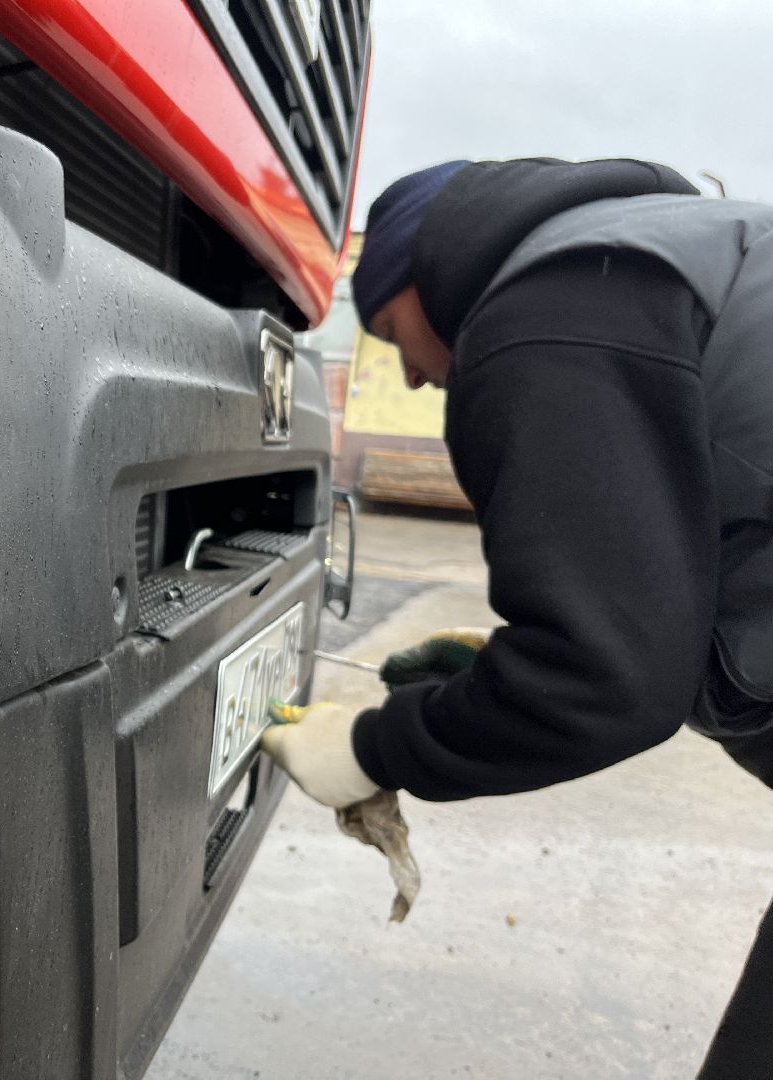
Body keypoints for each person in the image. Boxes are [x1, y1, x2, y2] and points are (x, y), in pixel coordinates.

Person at [259, 157, 773, 1077]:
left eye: (388, 332)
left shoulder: (544, 311)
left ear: (431, 277)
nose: (414, 377)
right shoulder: (652, 266)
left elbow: (606, 683)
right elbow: (667, 601)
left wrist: (373, 748)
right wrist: (506, 665)